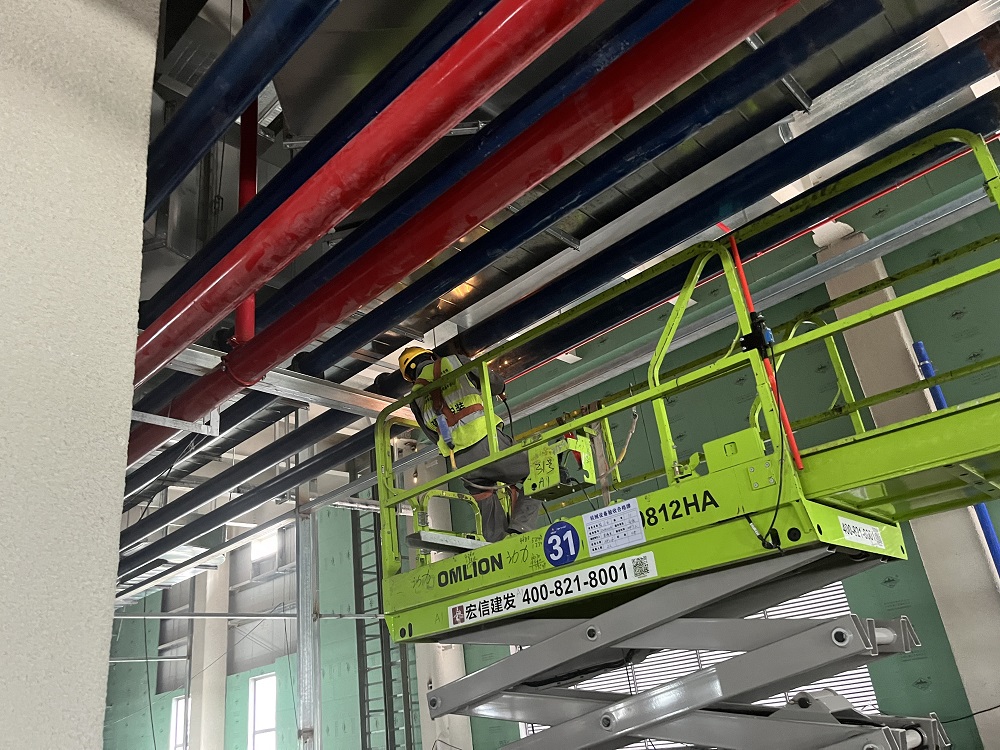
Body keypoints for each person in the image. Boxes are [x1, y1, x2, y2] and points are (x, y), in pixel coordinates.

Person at [398, 347, 541, 542]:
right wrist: (499, 388)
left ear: (410, 376)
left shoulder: (414, 398)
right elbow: (494, 384)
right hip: (486, 442)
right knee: (540, 467)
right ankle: (520, 527)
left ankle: (498, 545)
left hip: (460, 461)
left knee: (484, 495)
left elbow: (432, 435)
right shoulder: (454, 361)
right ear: (430, 355)